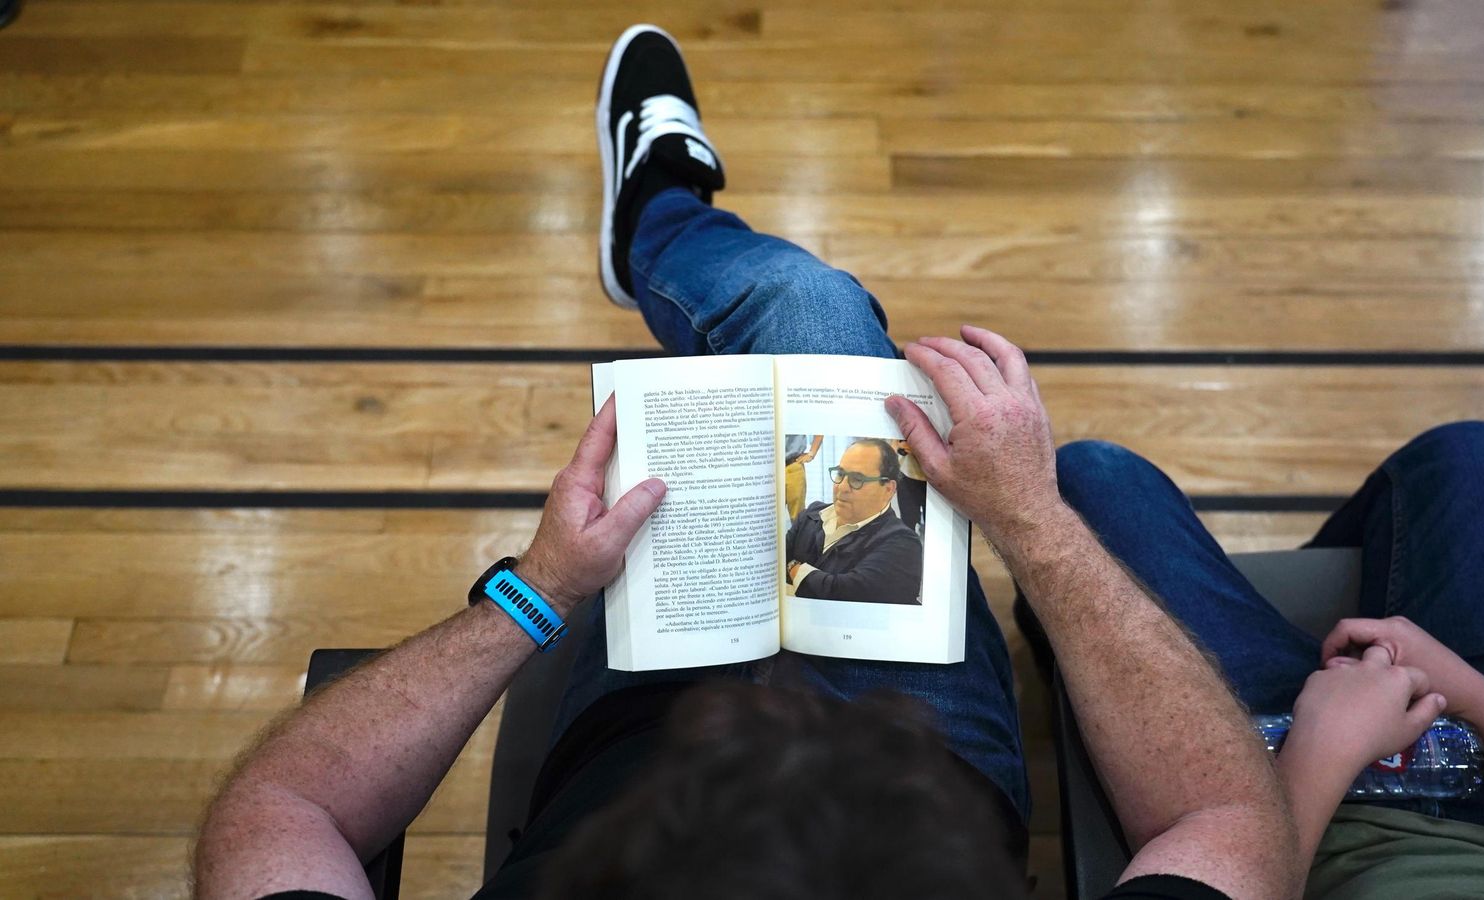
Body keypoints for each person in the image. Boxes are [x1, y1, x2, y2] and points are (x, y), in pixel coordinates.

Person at [192, 24, 1298, 900]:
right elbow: (1233, 827)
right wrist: (1033, 524)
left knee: (806, 309)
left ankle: (658, 218)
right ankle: (664, 221)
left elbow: (278, 813)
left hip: (650, 727)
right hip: (923, 751)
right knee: (817, 314)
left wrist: (536, 596)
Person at [1042, 424, 1484, 897]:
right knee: (1474, 452)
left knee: (1095, 476)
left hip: (1282, 820)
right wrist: (1473, 694)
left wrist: (1327, 745)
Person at [785, 437, 923, 604]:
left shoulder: (903, 543)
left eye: (857, 479)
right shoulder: (812, 514)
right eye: (840, 474)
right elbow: (774, 565)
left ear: (888, 489)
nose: (841, 487)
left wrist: (793, 567)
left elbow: (844, 593)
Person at [784, 433, 824, 521]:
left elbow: (819, 425)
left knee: (797, 518)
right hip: (767, 468)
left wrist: (812, 453)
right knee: (768, 515)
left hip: (792, 465)